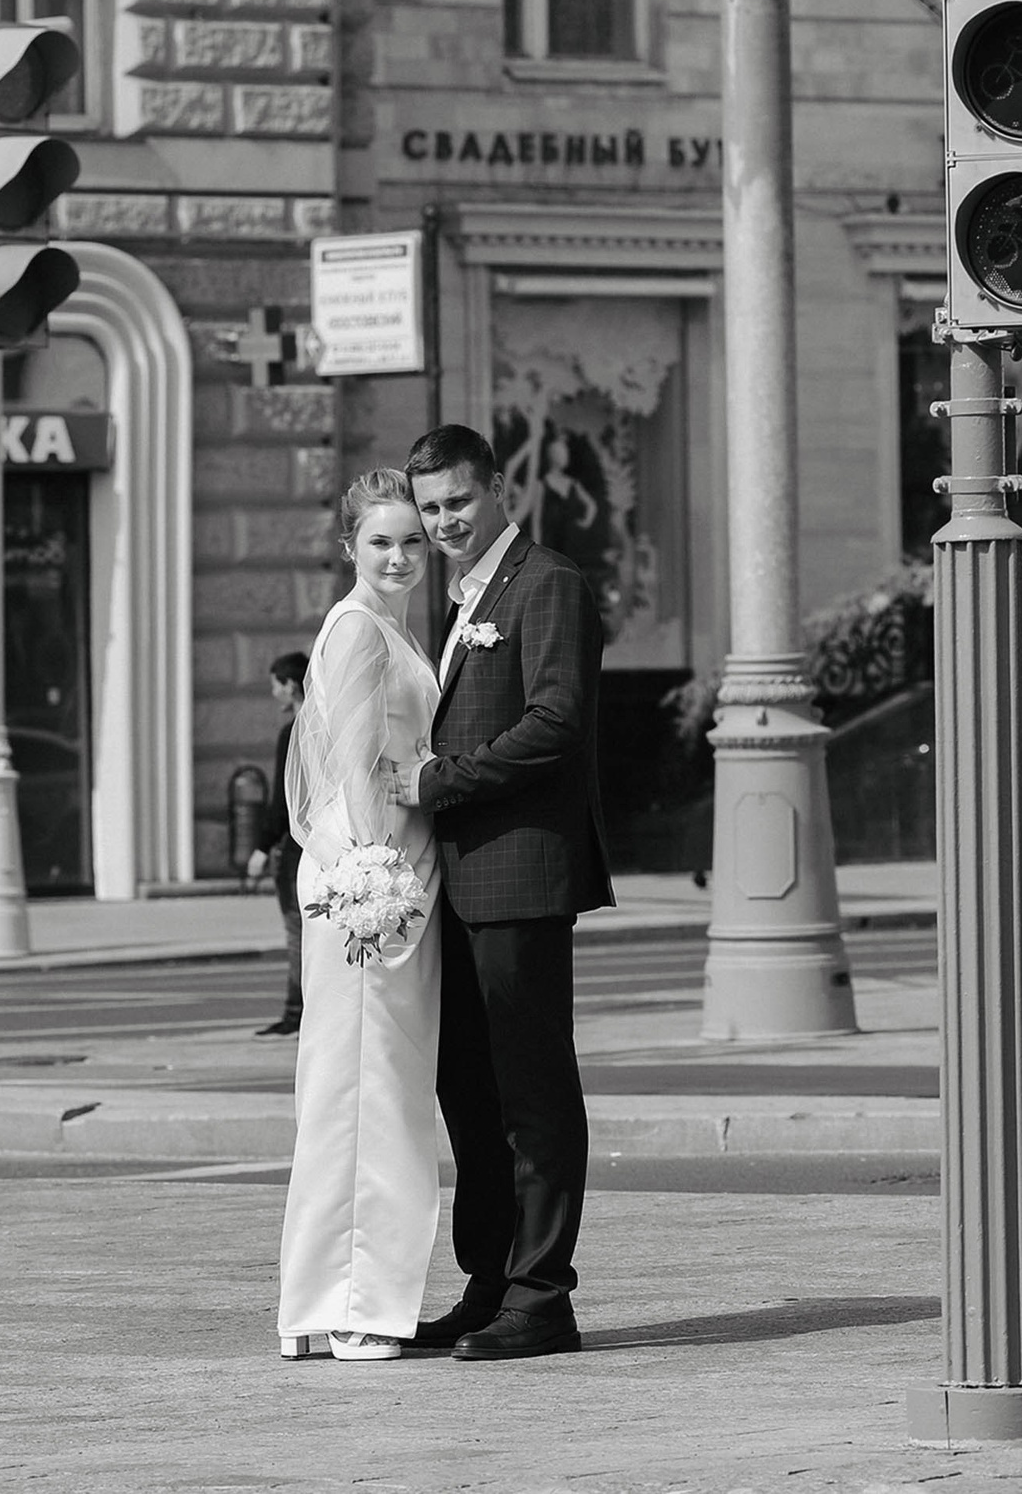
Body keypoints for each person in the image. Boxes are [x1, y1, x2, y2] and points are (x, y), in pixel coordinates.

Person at [388, 422, 611, 1362]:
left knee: (532, 1093)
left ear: (499, 492)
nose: (443, 522)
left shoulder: (546, 581)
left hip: (521, 874)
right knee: (469, 1094)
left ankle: (543, 1293)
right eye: (430, 507)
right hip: (460, 887)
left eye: (458, 503)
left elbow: (557, 720)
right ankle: (488, 1281)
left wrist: (444, 778)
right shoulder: (459, 597)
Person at [275, 470, 443, 1364]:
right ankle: (353, 1306)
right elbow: (347, 767)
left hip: (387, 873)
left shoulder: (388, 627)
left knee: (362, 1087)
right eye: (381, 540)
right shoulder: (355, 630)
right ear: (349, 547)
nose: (400, 555)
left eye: (413, 540)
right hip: (373, 887)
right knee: (369, 1094)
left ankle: (317, 1304)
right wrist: (378, 881)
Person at [250, 651, 309, 1038]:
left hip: (294, 848)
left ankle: (296, 1011)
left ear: (290, 684)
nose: (274, 692)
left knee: (296, 933)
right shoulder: (327, 723)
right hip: (322, 842)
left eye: (276, 684)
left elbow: (284, 800)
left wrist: (261, 845)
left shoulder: (293, 731)